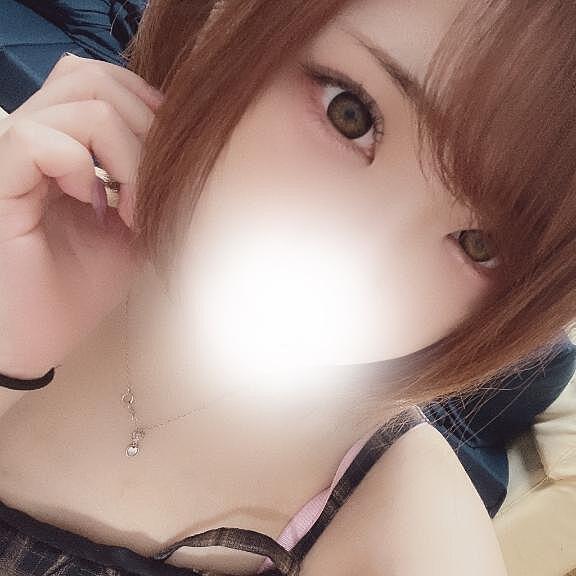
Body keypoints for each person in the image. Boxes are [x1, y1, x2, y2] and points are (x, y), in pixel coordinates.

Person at [0, 1, 575, 575]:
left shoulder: (410, 541)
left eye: (480, 244)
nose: (361, 262)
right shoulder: (20, 199)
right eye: (350, 114)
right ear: (222, 25)